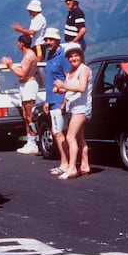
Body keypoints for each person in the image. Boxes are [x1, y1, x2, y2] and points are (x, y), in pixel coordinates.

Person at [53, 43, 92, 179]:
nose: (73, 58)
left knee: (70, 137)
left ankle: (72, 168)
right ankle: (85, 166)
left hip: (81, 108)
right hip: (73, 107)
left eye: (76, 55)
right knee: (79, 138)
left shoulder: (84, 69)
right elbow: (69, 88)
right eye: (70, 56)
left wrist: (64, 86)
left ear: (81, 56)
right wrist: (60, 89)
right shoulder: (70, 72)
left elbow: (81, 88)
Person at [1, 34, 39, 154]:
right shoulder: (28, 56)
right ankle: (30, 141)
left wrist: (10, 65)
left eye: (18, 43)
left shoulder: (28, 56)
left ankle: (33, 142)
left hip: (29, 86)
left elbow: (22, 74)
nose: (18, 45)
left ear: (22, 43)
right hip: (25, 86)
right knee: (25, 115)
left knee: (29, 116)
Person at [42, 27, 71, 175]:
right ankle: (66, 162)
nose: (48, 42)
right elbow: (50, 81)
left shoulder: (62, 56)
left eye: (51, 39)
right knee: (58, 132)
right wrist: (47, 101)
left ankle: (65, 164)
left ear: (57, 40)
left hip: (60, 100)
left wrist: (65, 101)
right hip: (52, 101)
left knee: (59, 132)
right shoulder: (50, 55)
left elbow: (69, 78)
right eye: (46, 39)